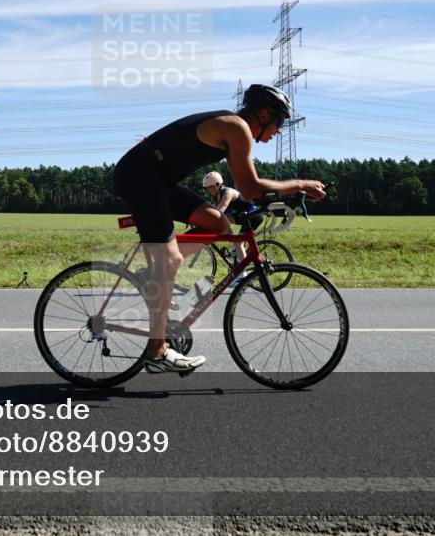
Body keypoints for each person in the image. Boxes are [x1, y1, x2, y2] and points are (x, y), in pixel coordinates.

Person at [112, 84, 327, 374]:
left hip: (157, 180)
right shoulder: (237, 128)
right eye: (280, 122)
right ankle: (157, 351)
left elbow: (247, 189)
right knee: (171, 260)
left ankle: (156, 273)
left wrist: (283, 197)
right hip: (140, 177)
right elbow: (250, 188)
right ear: (263, 114)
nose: (280, 130)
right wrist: (300, 184)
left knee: (218, 222)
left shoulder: (234, 128)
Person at [201, 170, 260, 262]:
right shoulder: (218, 195)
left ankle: (242, 273)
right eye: (207, 188)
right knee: (225, 219)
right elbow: (211, 209)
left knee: (238, 243)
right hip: (243, 216)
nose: (209, 190)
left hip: (253, 216)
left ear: (218, 184)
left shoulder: (228, 193)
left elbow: (220, 211)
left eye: (211, 187)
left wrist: (206, 222)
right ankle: (234, 245)